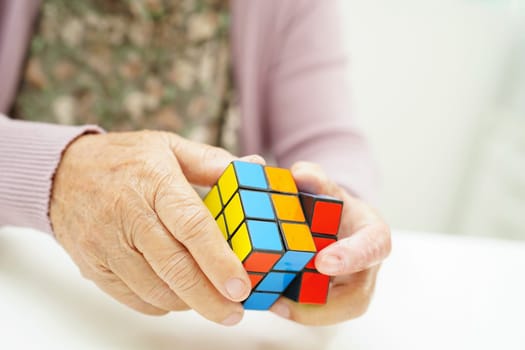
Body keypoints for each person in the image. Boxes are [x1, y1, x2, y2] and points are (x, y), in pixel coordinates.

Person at [0, 0, 391, 326]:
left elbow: (327, 138)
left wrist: (340, 214)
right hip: (24, 284)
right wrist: (59, 172)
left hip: (196, 318)